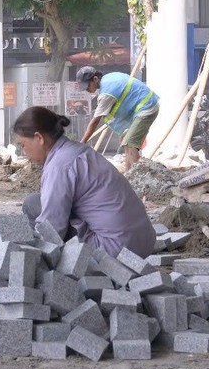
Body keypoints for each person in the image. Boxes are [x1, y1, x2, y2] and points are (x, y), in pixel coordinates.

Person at [12, 106, 157, 258]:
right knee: (40, 203)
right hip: (144, 242)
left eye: (23, 145)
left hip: (115, 250)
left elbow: (52, 229)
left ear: (39, 138)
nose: (24, 152)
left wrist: (27, 258)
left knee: (32, 205)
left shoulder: (58, 166)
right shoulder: (79, 150)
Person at [78, 66, 160, 171]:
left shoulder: (106, 93)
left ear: (95, 79)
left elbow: (95, 121)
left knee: (130, 142)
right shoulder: (109, 79)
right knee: (126, 142)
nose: (87, 90)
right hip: (144, 107)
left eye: (88, 86)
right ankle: (129, 171)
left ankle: (137, 174)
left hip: (146, 108)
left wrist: (83, 141)